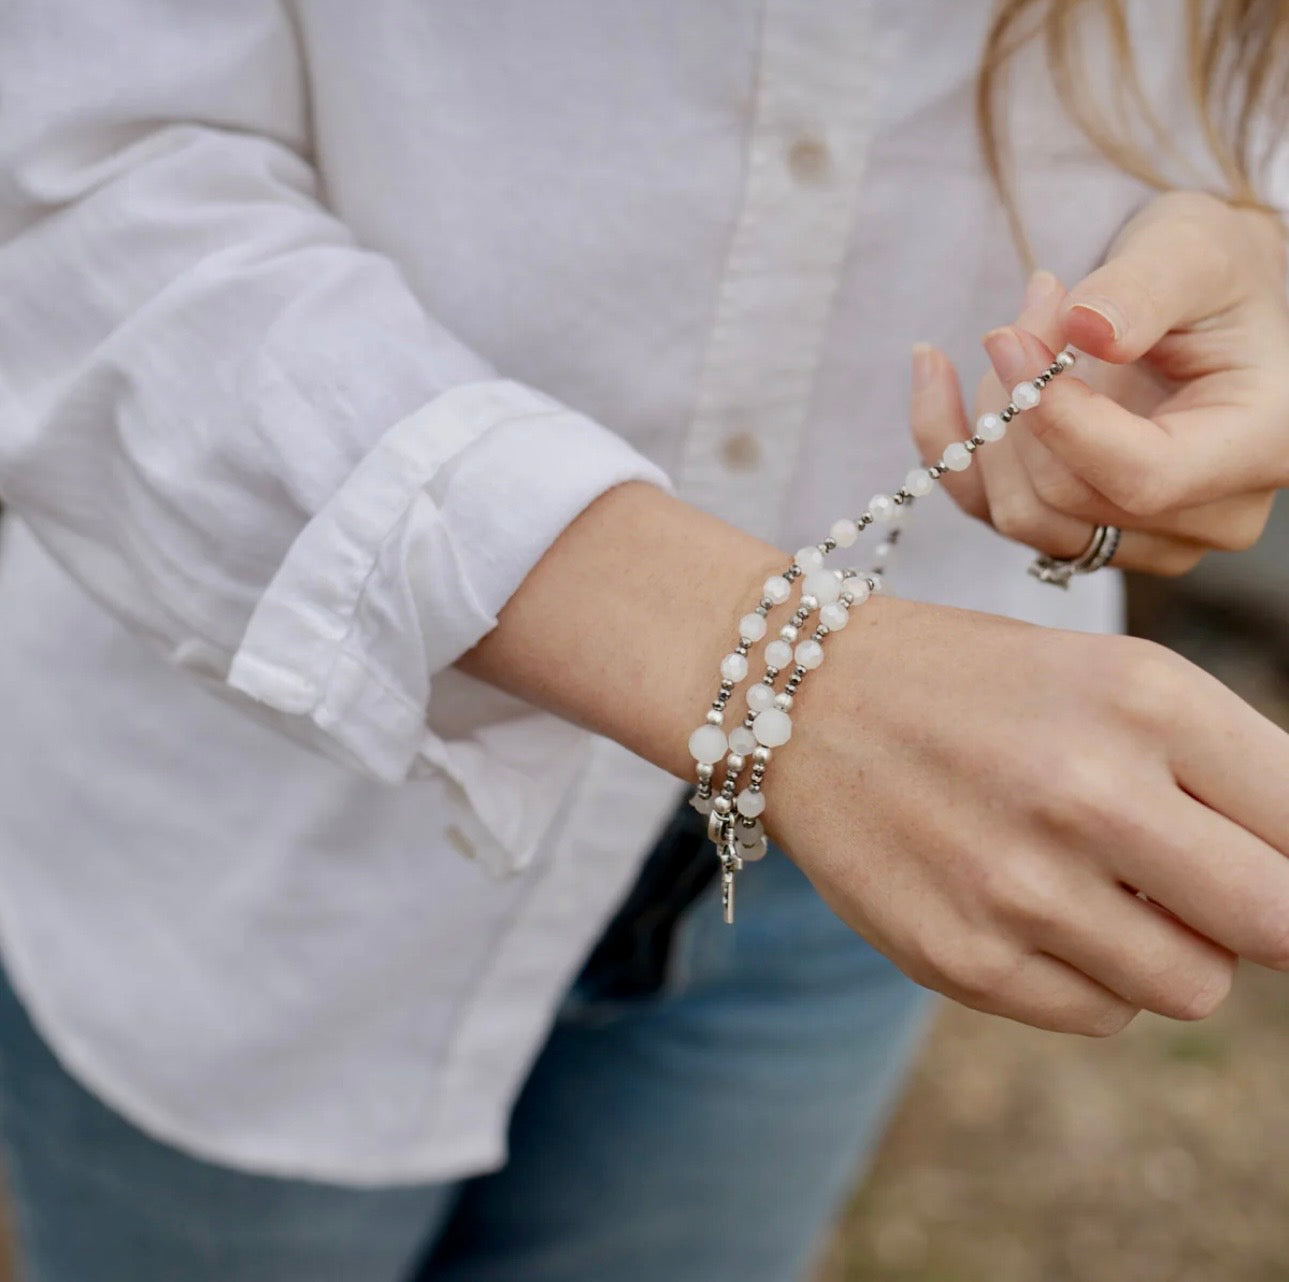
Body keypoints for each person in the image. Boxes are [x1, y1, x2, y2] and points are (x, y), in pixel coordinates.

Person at [0, 2, 1287, 1279]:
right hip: (275, 835)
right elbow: (73, 178)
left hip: (857, 858)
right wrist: (788, 668)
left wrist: (1258, 245)